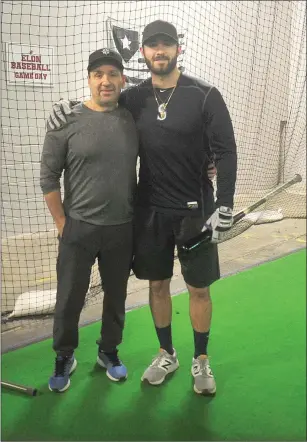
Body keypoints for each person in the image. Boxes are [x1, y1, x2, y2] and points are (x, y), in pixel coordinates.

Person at [47, 20, 237, 396]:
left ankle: (201, 360)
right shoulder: (135, 98)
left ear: (177, 49)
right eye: (153, 46)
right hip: (149, 211)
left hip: (195, 211)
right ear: (145, 52)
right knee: (157, 284)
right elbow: (102, 101)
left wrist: (226, 203)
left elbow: (226, 151)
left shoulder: (204, 95)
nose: (160, 51)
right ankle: (167, 353)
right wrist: (67, 106)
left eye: (166, 44)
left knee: (198, 289)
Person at [40, 49, 139, 392]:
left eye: (113, 74)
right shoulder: (66, 120)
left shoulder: (131, 118)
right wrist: (61, 223)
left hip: (121, 228)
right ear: (89, 80)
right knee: (69, 298)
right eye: (98, 74)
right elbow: (48, 178)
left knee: (116, 296)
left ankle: (108, 351)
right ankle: (64, 355)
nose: (106, 81)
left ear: (123, 80)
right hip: (78, 228)